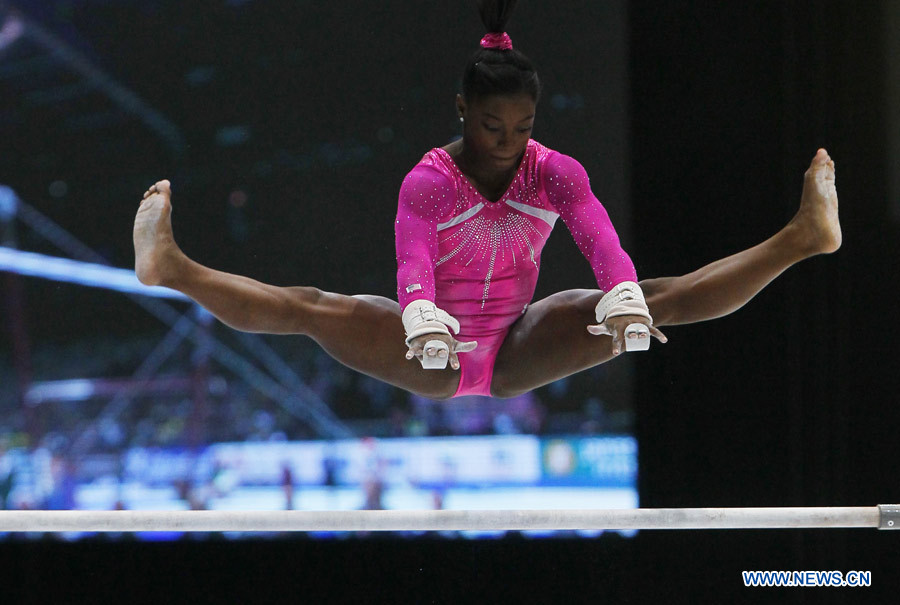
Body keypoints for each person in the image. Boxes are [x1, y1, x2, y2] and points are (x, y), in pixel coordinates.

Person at [132, 0, 840, 402]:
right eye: (492, 126)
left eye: (523, 127)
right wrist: (417, 310)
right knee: (309, 307)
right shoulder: (430, 181)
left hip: (515, 348)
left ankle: (804, 236)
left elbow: (597, 236)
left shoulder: (554, 172)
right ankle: (172, 267)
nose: (507, 142)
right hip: (428, 349)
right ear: (463, 109)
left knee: (662, 296)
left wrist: (620, 290)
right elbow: (412, 258)